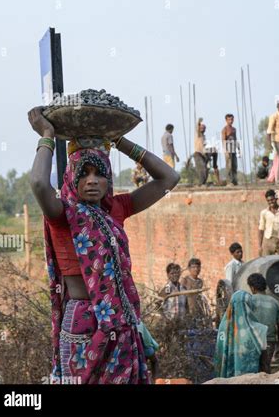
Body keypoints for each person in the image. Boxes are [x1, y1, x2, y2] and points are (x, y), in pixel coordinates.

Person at [28, 107, 179, 384]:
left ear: (108, 177)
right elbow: (38, 183)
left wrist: (119, 141)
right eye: (83, 173)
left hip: (122, 324)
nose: (92, 180)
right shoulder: (62, 214)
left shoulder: (116, 209)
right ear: (71, 177)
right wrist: (47, 136)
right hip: (84, 325)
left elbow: (169, 179)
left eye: (99, 173)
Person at [214, 290, 268, 378]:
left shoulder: (223, 328)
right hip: (251, 380)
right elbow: (264, 363)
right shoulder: (259, 329)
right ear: (250, 305)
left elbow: (219, 356)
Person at [247, 273, 279, 374]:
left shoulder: (249, 300)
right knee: (265, 368)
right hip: (269, 342)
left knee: (251, 370)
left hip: (252, 340)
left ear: (252, 288)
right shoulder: (275, 302)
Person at [258, 189, 279, 257]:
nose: (271, 202)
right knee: (266, 263)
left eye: (272, 199)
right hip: (268, 241)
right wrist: (260, 246)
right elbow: (261, 230)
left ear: (276, 198)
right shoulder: (264, 213)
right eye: (268, 201)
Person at [221, 114, 239, 186]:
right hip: (228, 148)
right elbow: (223, 140)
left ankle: (234, 180)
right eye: (229, 119)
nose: (230, 121)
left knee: (234, 165)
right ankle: (229, 181)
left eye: (232, 119)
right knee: (229, 166)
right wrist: (226, 151)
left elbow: (235, 139)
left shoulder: (234, 129)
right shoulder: (224, 129)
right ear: (226, 120)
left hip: (233, 148)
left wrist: (238, 147)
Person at [194, 118, 208, 185]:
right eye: (201, 127)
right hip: (198, 153)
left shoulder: (204, 136)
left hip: (203, 154)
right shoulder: (198, 134)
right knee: (202, 168)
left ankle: (203, 183)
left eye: (204, 128)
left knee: (205, 168)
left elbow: (204, 146)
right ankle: (201, 183)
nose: (203, 129)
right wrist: (199, 122)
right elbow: (197, 127)